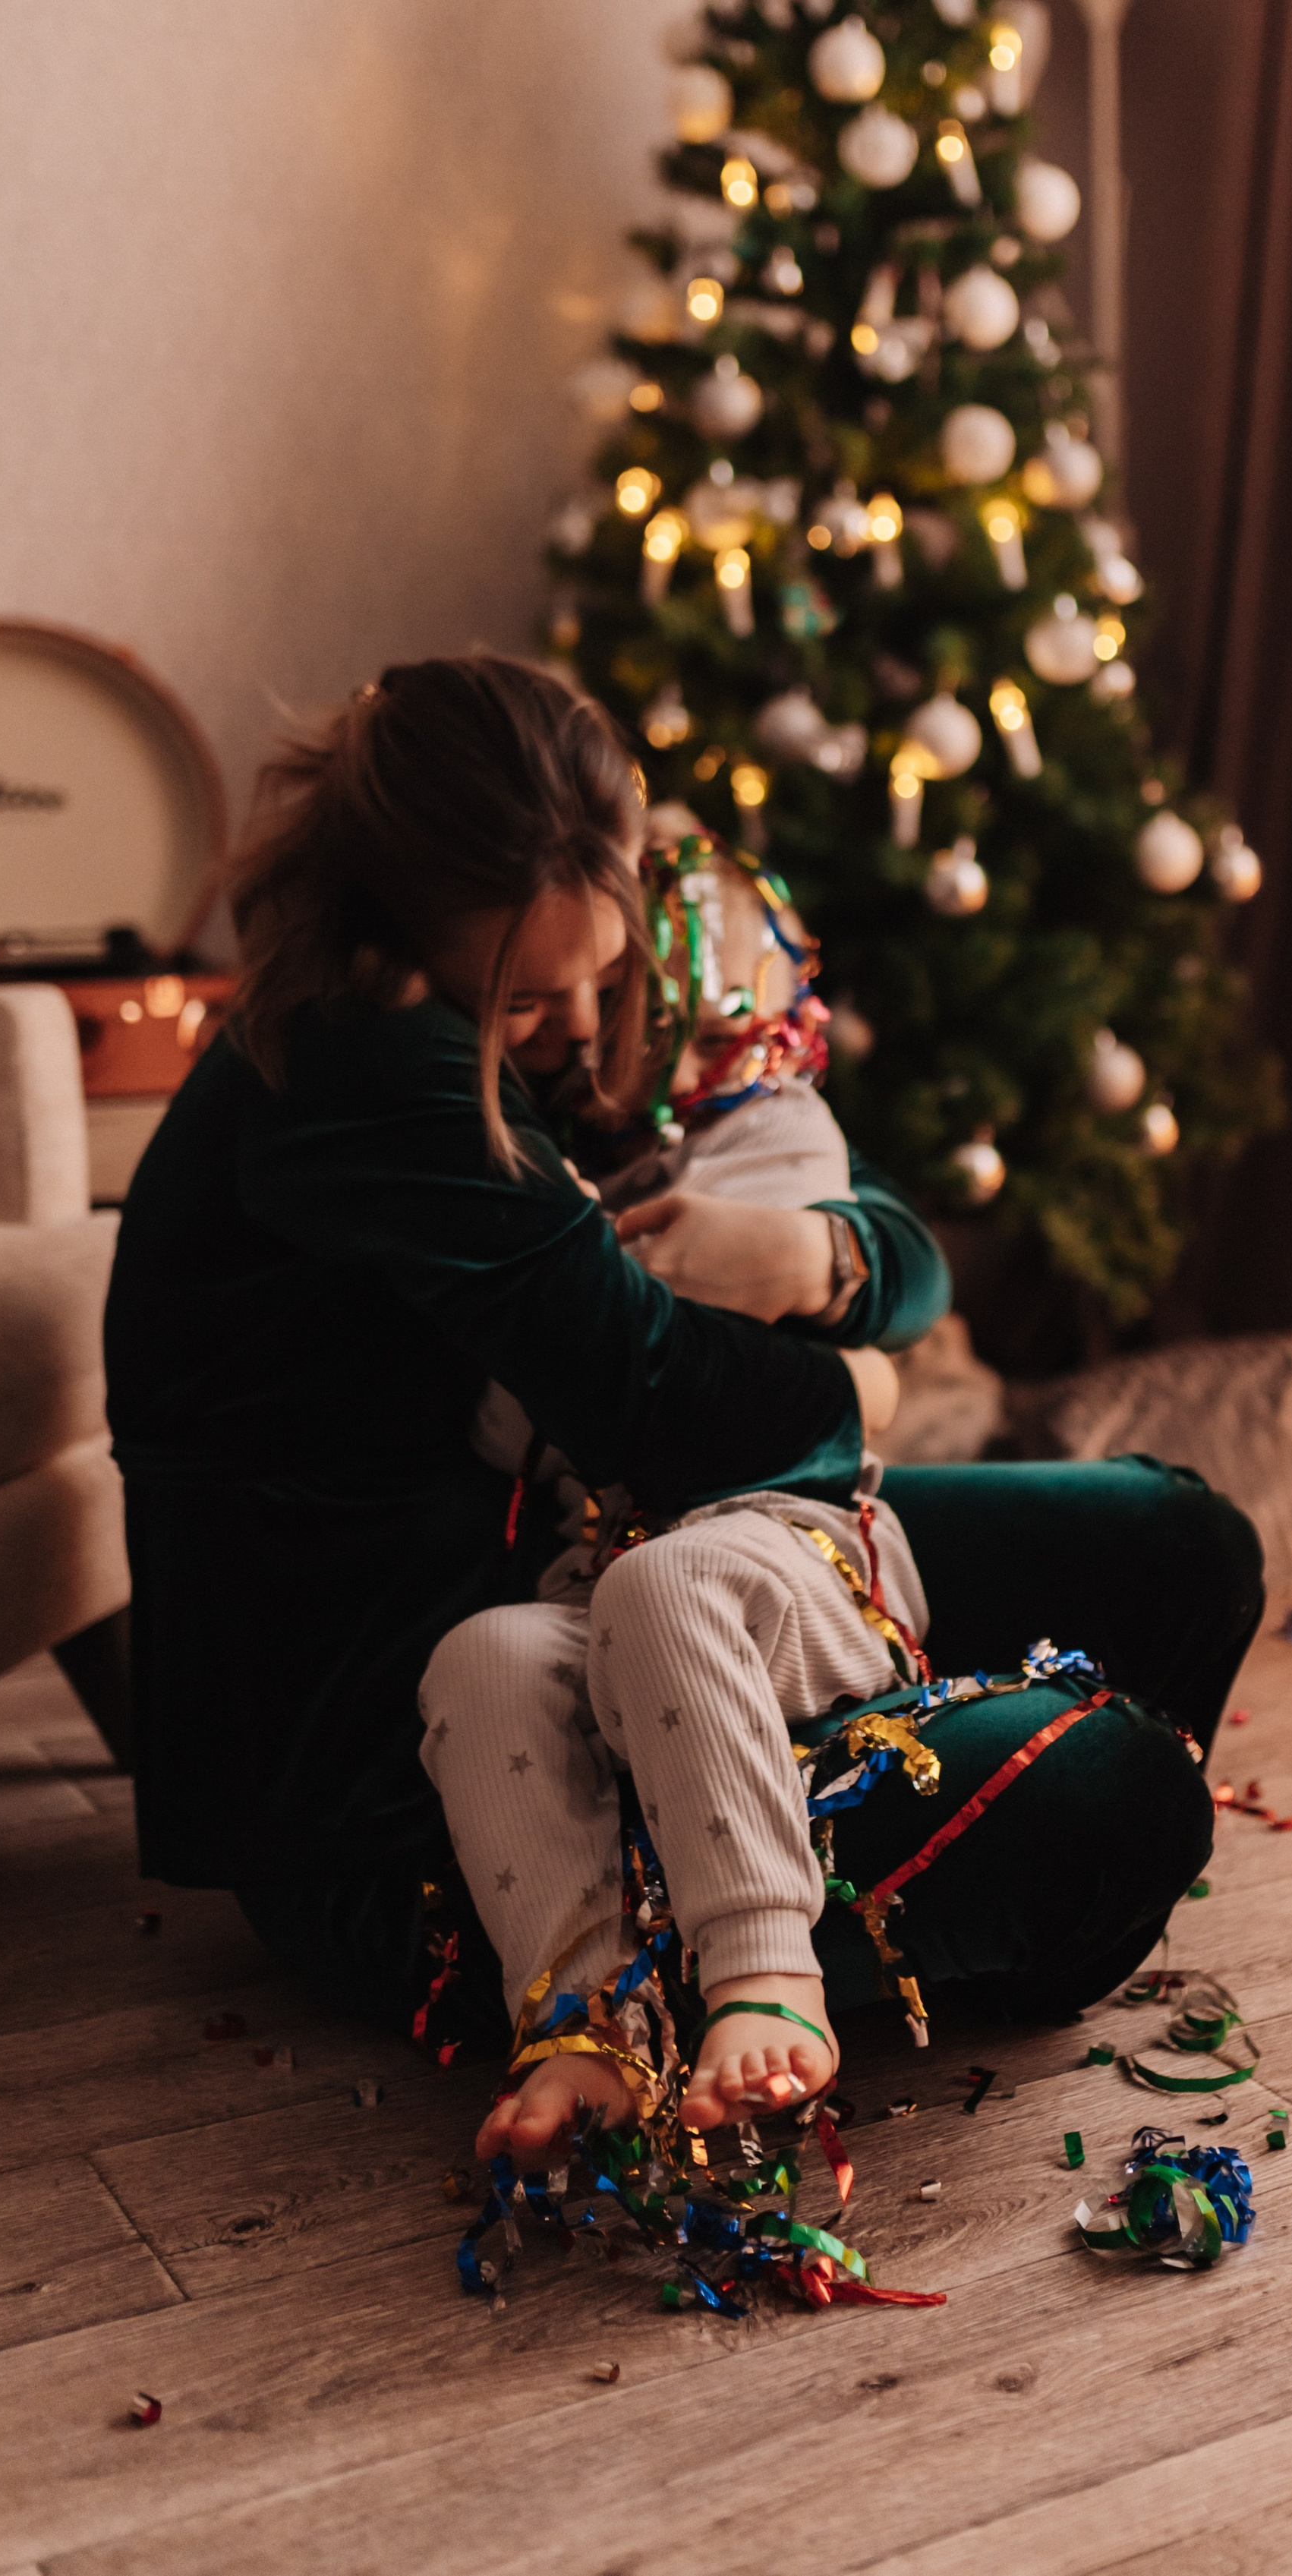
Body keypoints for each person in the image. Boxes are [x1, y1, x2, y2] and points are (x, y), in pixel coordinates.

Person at [105, 656, 1262, 2146]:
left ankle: (850, 1859)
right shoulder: (373, 1057)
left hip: (651, 1566)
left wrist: (816, 1252)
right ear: (398, 925)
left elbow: (872, 1224)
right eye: (536, 998)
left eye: (603, 979)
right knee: (1111, 1787)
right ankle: (739, 1964)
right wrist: (860, 1385)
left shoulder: (511, 1006)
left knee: (1177, 1539)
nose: (585, 1032)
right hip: (423, 1793)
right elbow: (663, 1402)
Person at [431, 811, 938, 2149]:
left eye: (737, 1015)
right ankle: (584, 2018)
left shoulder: (782, 1142)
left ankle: (767, 1963)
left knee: (669, 1582)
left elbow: (874, 1286)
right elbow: (500, 1423)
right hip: (595, 1584)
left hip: (791, 1560)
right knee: (482, 1656)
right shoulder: (528, 1161)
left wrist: (754, 1267)